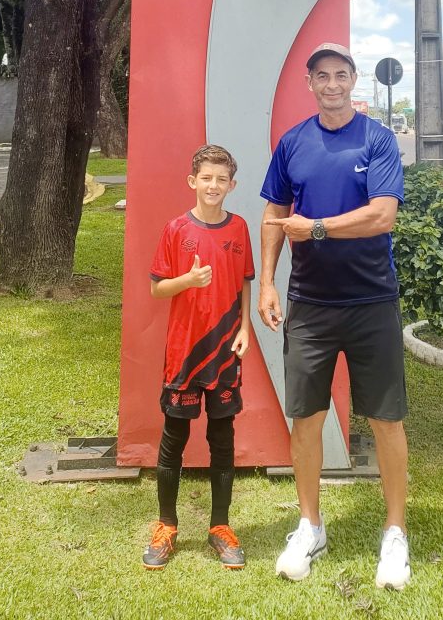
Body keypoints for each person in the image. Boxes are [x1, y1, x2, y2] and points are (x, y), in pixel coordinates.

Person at [258, 43, 410, 591]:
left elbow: (382, 215)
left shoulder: (377, 139)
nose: (331, 84)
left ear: (353, 80)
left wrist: (317, 227)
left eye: (340, 74)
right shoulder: (293, 142)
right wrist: (269, 284)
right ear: (310, 83)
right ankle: (310, 525)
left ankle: (395, 532)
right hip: (311, 304)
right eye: (321, 76)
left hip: (372, 300)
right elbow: (275, 213)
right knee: (306, 418)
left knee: (385, 418)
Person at [143, 144, 254, 571]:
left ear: (232, 185)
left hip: (225, 351)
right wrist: (186, 279)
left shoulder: (239, 229)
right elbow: (156, 288)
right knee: (175, 439)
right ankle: (167, 525)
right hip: (184, 351)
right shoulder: (176, 230)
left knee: (222, 439)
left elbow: (246, 281)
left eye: (221, 179)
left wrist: (245, 327)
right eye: (205, 178)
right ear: (193, 182)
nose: (213, 185)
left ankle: (220, 527)